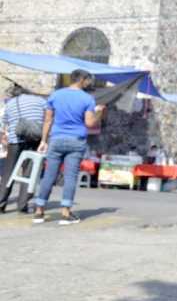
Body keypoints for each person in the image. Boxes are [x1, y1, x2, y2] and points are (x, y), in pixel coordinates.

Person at [34, 70, 103, 225]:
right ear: (82, 80)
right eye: (88, 80)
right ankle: (65, 213)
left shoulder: (55, 95)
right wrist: (97, 113)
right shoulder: (87, 99)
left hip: (57, 138)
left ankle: (39, 211)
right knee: (70, 176)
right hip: (76, 140)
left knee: (49, 176)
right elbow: (90, 123)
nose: (88, 83)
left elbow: (47, 120)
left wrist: (43, 140)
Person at [0, 86, 46, 214]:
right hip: (34, 140)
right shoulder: (41, 101)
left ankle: (1, 203)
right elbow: (48, 118)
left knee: (8, 173)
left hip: (15, 140)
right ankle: (22, 205)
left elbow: (6, 126)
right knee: (29, 173)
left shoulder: (11, 104)